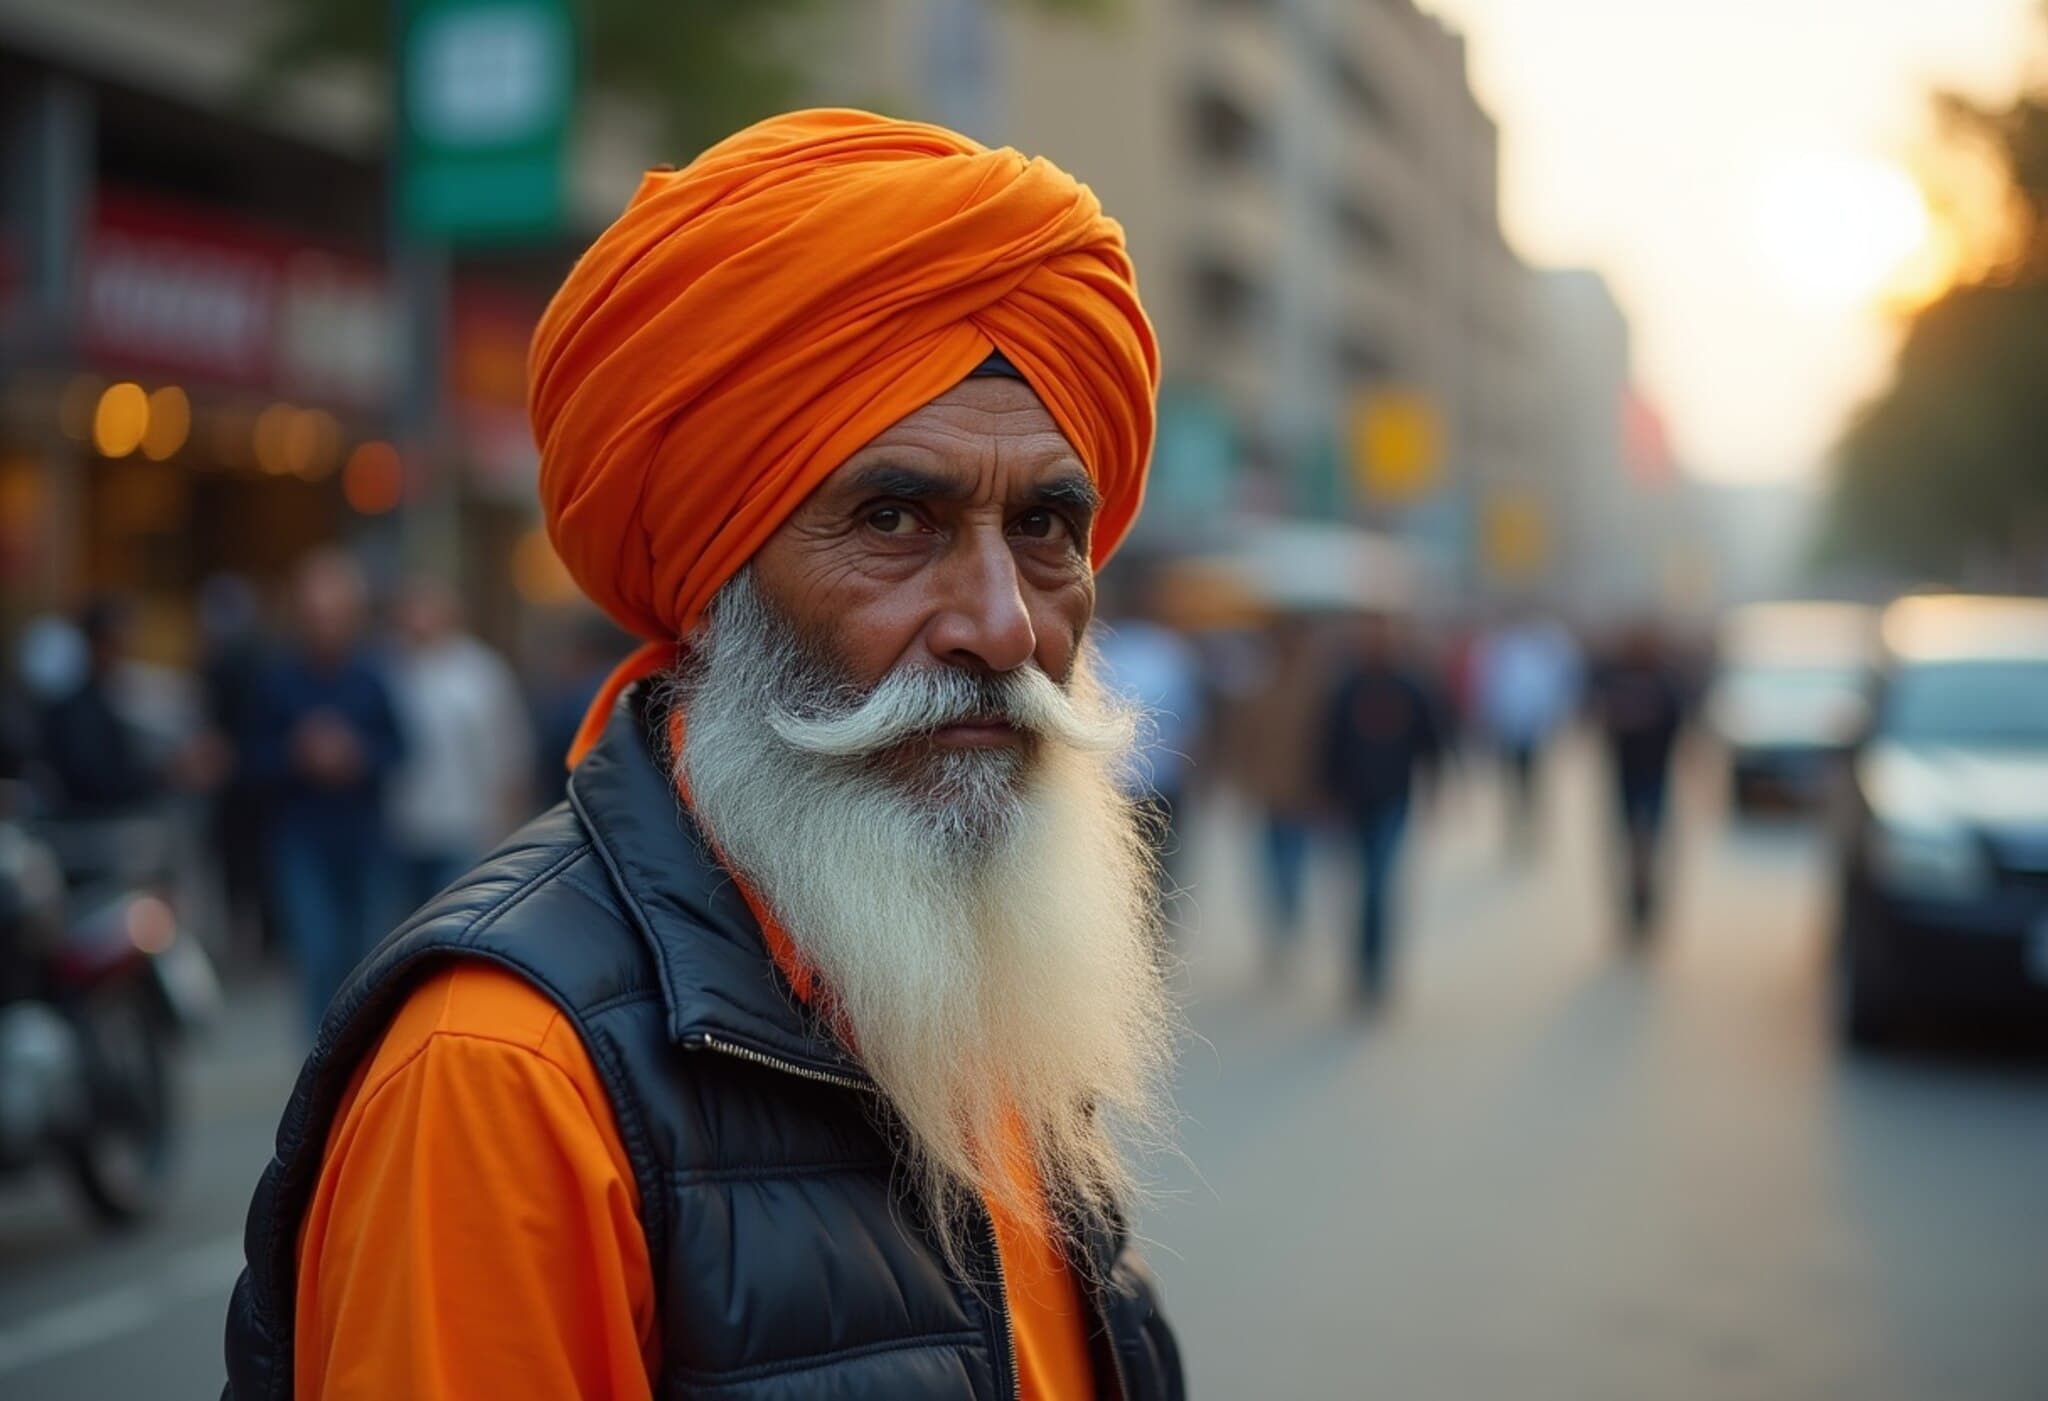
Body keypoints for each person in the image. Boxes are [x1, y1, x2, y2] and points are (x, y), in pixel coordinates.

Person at [226, 110, 1184, 1401]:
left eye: (1048, 525)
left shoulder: (968, 976)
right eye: (895, 518)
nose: (1004, 625)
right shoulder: (504, 1073)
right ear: (713, 579)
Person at [245, 551, 405, 1033]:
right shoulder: (278, 680)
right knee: (317, 952)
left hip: (363, 837)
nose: (326, 626)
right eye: (317, 615)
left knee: (364, 956)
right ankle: (318, 1064)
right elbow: (251, 760)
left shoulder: (372, 676)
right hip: (302, 838)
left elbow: (399, 749)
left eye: (336, 615)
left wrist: (357, 755)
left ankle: (359, 1060)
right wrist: (298, 755)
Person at [1319, 613, 1445, 1009]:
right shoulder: (1347, 686)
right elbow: (1328, 745)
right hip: (1353, 802)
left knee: (1378, 883)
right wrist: (1326, 796)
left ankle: (1375, 969)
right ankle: (1363, 965)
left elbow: (1431, 741)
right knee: (1361, 887)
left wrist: (1438, 790)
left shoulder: (1409, 685)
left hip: (1394, 798)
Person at [386, 578, 533, 913]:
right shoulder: (388, 669)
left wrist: (506, 826)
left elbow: (508, 750)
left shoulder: (481, 672)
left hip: (464, 827)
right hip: (399, 829)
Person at [1592, 622, 1687, 937]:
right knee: (1632, 839)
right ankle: (1636, 901)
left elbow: (1678, 720)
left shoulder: (1664, 678)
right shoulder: (1615, 676)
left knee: (1649, 840)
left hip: (1654, 771)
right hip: (1627, 772)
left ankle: (1646, 900)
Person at [1472, 608, 1581, 854]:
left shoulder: (1543, 648)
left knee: (1533, 779)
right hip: (1508, 727)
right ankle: (1516, 825)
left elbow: (1556, 688)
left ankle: (1532, 825)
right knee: (1511, 780)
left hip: (1533, 727)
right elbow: (1490, 688)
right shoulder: (1501, 649)